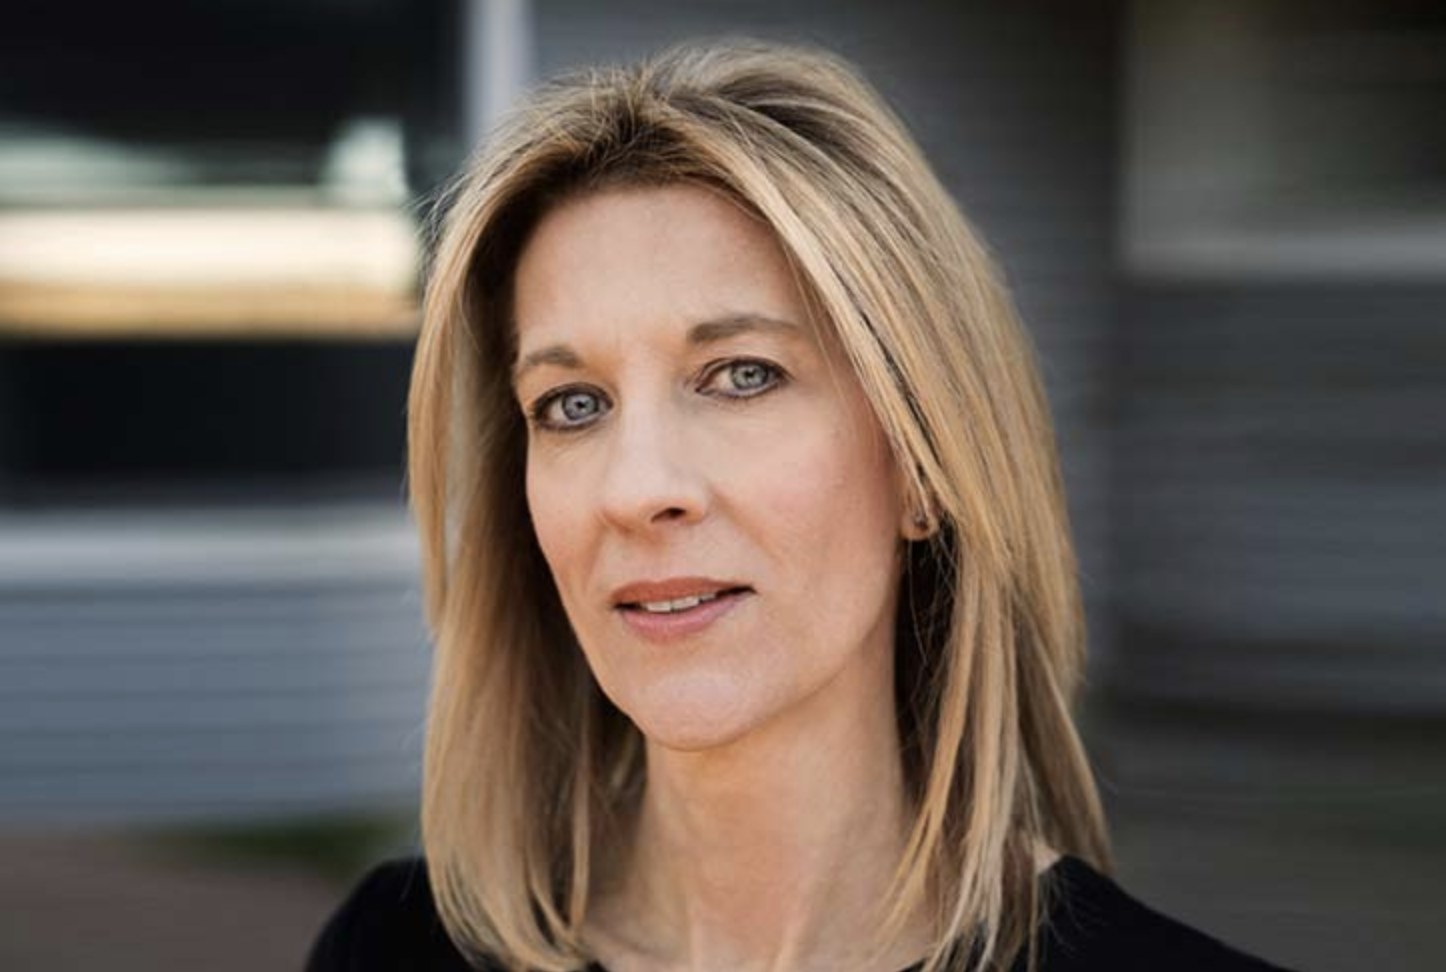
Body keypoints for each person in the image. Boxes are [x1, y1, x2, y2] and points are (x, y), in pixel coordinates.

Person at [306, 38, 1299, 972]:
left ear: (921, 463)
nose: (638, 490)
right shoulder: (391, 949)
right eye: (573, 404)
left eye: (742, 375)